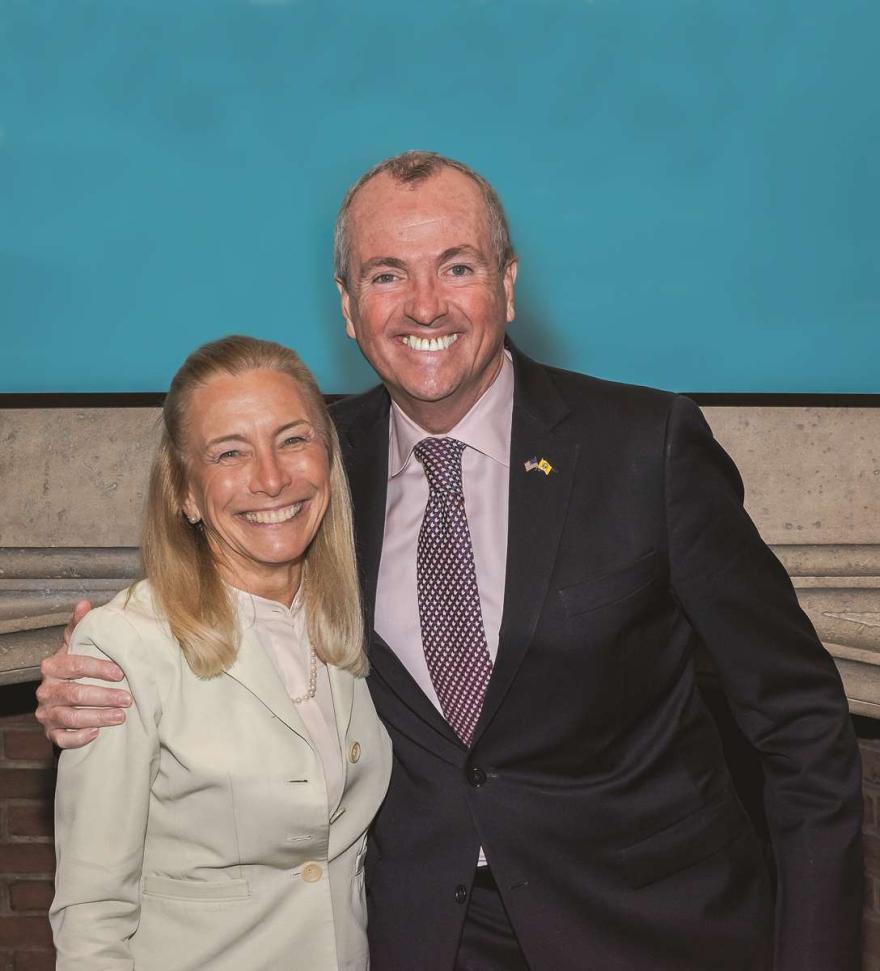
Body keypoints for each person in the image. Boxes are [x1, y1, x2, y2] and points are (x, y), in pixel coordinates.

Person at [39, 153, 861, 970]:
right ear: (349, 307)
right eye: (387, 274)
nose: (424, 304)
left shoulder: (649, 447)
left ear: (507, 283)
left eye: (456, 266)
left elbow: (802, 720)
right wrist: (95, 672)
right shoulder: (316, 466)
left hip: (654, 930)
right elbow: (217, 584)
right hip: (422, 938)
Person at [48, 336, 392, 970]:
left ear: (328, 456)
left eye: (292, 439)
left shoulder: (354, 612)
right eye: (230, 452)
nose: (270, 478)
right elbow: (92, 913)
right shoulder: (126, 645)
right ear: (184, 491)